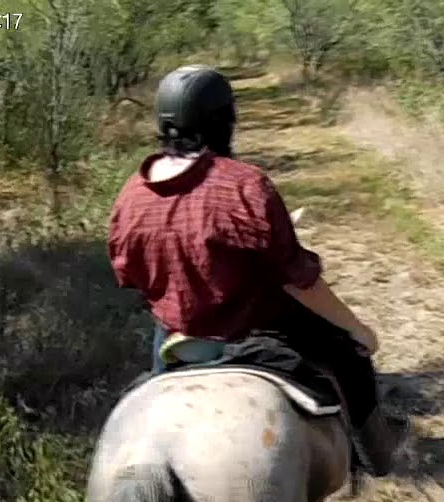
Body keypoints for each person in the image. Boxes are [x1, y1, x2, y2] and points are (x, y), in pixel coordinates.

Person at [107, 64, 401, 476]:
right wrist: (358, 330)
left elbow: (130, 276)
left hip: (177, 335)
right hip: (258, 331)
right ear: (225, 121)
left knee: (146, 400)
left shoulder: (131, 194)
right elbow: (298, 279)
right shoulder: (244, 184)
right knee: (350, 359)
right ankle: (377, 456)